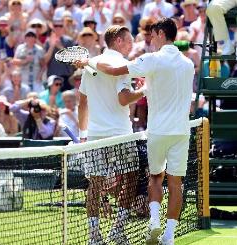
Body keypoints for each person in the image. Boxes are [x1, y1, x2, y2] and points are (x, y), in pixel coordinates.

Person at [83, 18, 194, 245]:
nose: (149, 40)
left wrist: (88, 61)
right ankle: (168, 236)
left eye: (152, 35)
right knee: (175, 183)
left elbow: (111, 73)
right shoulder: (188, 63)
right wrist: (146, 87)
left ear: (161, 33)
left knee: (153, 178)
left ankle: (153, 221)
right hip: (181, 132)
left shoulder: (150, 60)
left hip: (154, 131)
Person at [77, 25, 142, 245]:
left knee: (94, 185)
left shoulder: (90, 65)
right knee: (131, 178)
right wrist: (144, 90)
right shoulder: (122, 65)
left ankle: (94, 237)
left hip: (94, 136)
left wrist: (83, 133)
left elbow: (82, 103)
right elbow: (124, 99)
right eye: (129, 40)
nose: (132, 43)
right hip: (120, 134)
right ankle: (117, 230)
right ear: (118, 41)